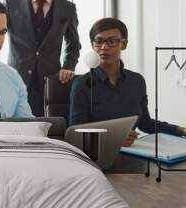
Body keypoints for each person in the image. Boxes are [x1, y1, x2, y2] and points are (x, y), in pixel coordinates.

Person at [69, 17, 186, 146]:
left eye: (112, 41)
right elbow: (76, 133)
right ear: (92, 44)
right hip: (97, 156)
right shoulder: (81, 84)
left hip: (133, 153)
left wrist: (180, 130)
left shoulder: (137, 81)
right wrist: (113, 139)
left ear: (123, 44)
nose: (104, 47)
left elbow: (145, 123)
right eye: (98, 41)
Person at [5, 0, 81, 116]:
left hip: (51, 84)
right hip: (15, 81)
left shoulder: (68, 8)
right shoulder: (10, 4)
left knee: (47, 131)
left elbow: (73, 45)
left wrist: (68, 66)